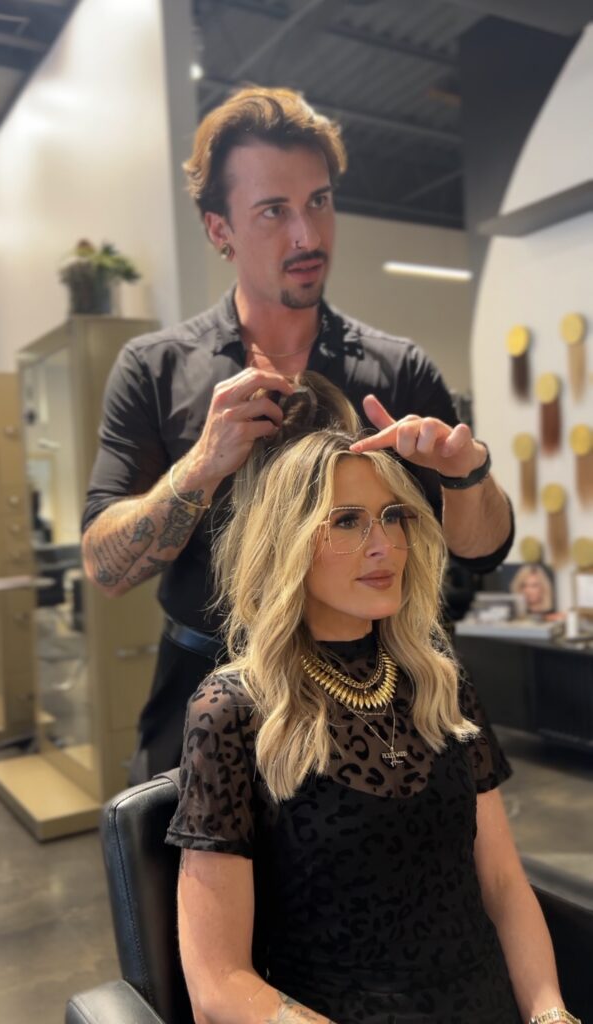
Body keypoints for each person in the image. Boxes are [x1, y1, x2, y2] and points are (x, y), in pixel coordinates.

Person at [81, 86, 513, 781]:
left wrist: (467, 472)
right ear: (219, 229)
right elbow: (105, 569)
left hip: (372, 695)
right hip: (205, 692)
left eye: (318, 202)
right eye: (273, 211)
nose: (307, 236)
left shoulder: (397, 371)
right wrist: (201, 466)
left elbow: (484, 551)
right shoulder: (156, 370)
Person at [166, 418, 575, 1024]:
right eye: (347, 521)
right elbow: (218, 984)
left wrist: (550, 1013)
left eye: (392, 516)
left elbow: (502, 884)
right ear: (287, 542)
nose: (383, 545)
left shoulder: (439, 682)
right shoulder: (234, 711)